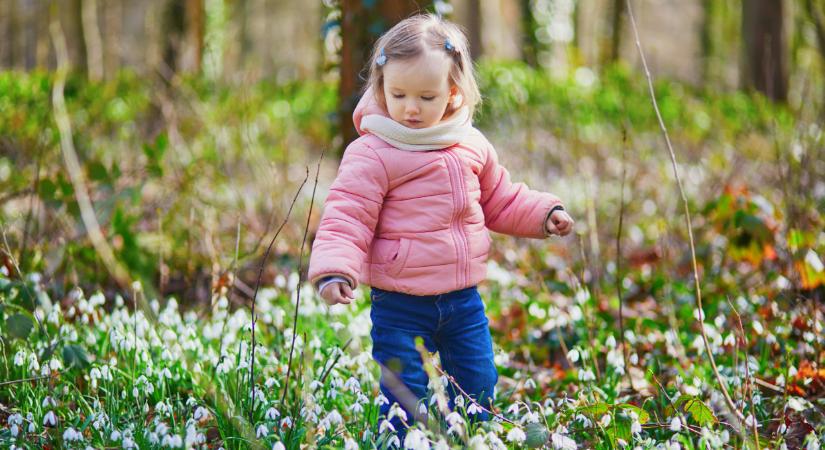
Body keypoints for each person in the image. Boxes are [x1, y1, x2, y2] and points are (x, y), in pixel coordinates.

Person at [307, 13, 574, 435]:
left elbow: (500, 198)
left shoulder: (469, 144)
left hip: (463, 301)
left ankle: (474, 438)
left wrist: (544, 213)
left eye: (426, 97)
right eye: (399, 94)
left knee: (478, 383)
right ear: (381, 88)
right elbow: (347, 214)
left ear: (452, 93)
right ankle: (402, 441)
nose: (411, 108)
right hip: (400, 303)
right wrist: (335, 267)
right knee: (405, 394)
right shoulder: (373, 152)